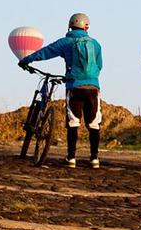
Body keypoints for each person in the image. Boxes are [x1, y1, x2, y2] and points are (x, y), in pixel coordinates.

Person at [18, 13, 103, 169]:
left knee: (73, 122)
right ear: (87, 27)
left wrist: (25, 60)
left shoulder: (66, 42)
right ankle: (94, 158)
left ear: (70, 26)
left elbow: (45, 52)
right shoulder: (96, 44)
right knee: (94, 124)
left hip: (74, 87)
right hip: (92, 87)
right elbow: (99, 65)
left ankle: (71, 158)